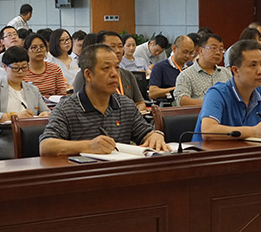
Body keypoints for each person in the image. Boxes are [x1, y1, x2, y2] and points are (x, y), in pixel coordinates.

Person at [40, 44, 168, 156]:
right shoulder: (67, 108)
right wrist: (89, 146)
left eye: (117, 67)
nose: (114, 74)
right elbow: (46, 146)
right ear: (88, 75)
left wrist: (155, 136)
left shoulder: (125, 104)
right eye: (106, 68)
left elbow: (145, 133)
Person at [0, 47, 51, 159]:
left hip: (31, 135)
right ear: (4, 67)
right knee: (24, 151)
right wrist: (15, 116)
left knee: (50, 149)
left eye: (24, 67)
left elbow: (46, 111)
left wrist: (45, 115)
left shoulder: (32, 89)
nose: (20, 72)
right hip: (4, 137)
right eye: (15, 68)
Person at [72, 31, 147, 111]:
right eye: (112, 46)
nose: (118, 50)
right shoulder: (84, 75)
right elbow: (78, 105)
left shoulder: (128, 74)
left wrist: (130, 114)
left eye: (120, 46)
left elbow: (140, 102)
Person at [173, 33, 231, 106]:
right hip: (200, 113)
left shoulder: (226, 73)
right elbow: (182, 100)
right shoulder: (186, 75)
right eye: (213, 48)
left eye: (221, 49)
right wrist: (212, 103)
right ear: (200, 51)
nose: (218, 53)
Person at [148, 35, 194, 100]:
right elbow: (152, 93)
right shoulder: (160, 67)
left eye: (191, 53)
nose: (188, 56)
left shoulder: (191, 67)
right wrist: (176, 89)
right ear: (174, 48)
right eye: (185, 52)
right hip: (169, 103)